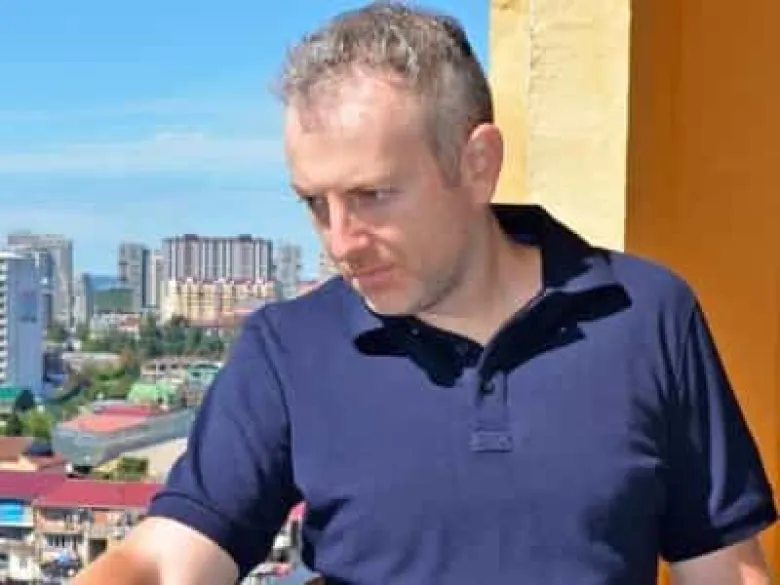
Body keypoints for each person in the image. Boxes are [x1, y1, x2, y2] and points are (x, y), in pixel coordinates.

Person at [72, 3, 777, 584]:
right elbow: (170, 558)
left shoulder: (647, 316)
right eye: (315, 203)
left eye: (373, 195)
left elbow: (724, 567)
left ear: (478, 164)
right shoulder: (289, 347)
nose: (339, 242)